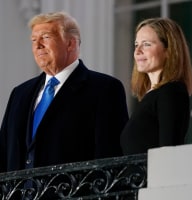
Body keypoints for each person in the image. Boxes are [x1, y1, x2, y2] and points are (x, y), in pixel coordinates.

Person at [0, 11, 129, 173]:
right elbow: (4, 153)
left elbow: (110, 157)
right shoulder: (19, 94)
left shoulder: (104, 89)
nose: (37, 45)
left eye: (45, 37)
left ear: (71, 44)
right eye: (33, 40)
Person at [120, 17, 192, 155]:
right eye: (136, 45)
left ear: (168, 50)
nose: (137, 52)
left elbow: (168, 153)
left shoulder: (171, 92)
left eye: (146, 44)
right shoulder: (151, 96)